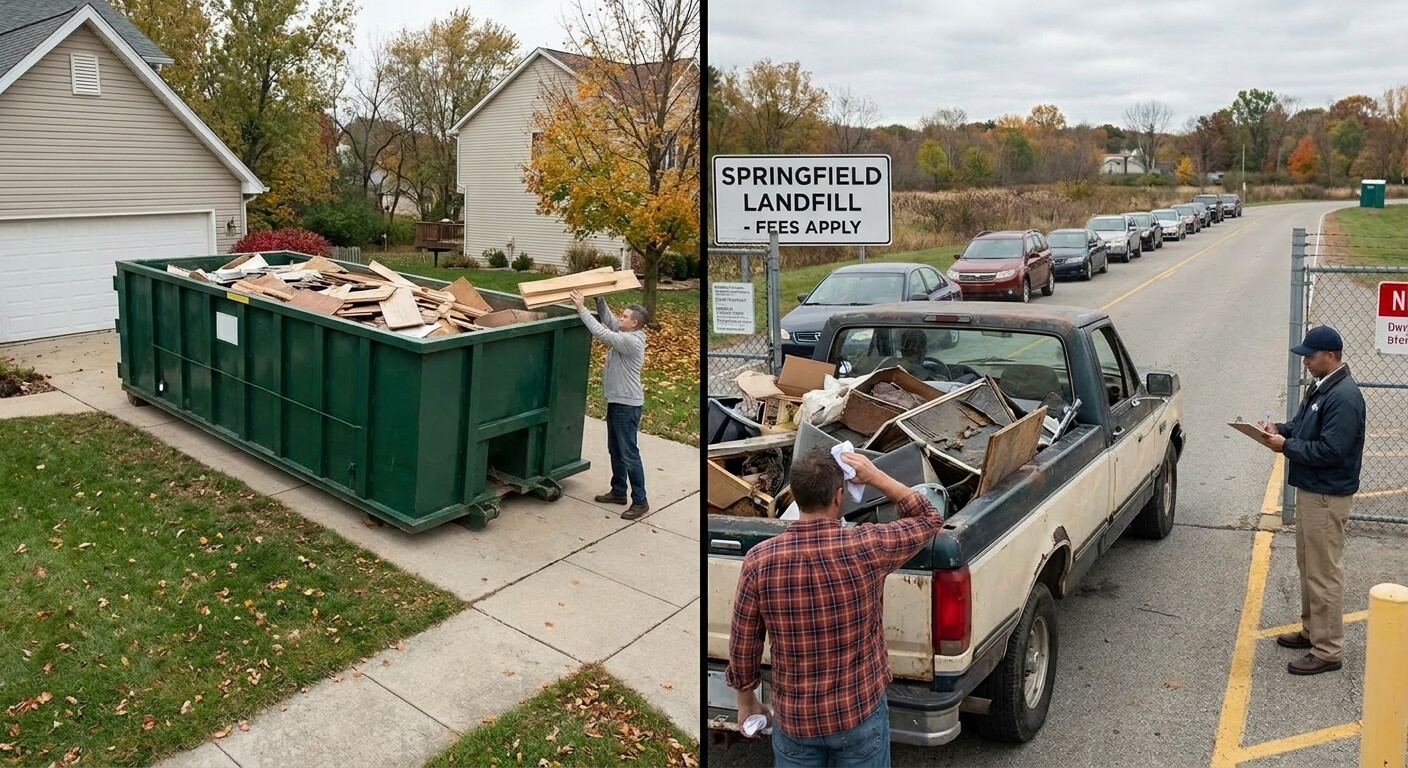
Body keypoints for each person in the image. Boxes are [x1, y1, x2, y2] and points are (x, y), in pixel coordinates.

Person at [725, 447, 946, 767]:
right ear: (839, 497)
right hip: (859, 715)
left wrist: (746, 703)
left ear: (796, 497)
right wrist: (876, 476)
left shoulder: (759, 561)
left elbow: (744, 645)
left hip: (796, 722)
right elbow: (929, 516)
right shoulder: (869, 546)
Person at [1256, 325, 1365, 676]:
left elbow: (1332, 450)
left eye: (1310, 355)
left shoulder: (1344, 396)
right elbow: (1305, 427)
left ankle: (1328, 650)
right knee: (1309, 568)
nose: (1304, 361)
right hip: (1312, 491)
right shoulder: (1322, 387)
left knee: (1324, 573)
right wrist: (1281, 431)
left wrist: (1285, 446)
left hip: (1327, 495)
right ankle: (1311, 632)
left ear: (1330, 357)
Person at [570, 289, 649, 520]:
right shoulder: (627, 332)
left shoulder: (630, 341)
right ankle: (618, 491)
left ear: (634, 323)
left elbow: (600, 331)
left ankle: (641, 501)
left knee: (629, 454)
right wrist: (598, 296)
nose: (620, 318)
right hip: (617, 402)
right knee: (615, 449)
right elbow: (609, 320)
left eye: (625, 316)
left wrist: (581, 308)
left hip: (627, 406)